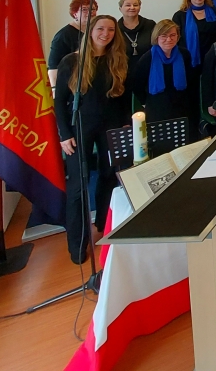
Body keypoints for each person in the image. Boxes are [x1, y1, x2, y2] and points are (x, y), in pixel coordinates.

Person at [54, 15, 130, 264]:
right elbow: (59, 101)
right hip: (79, 128)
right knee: (78, 185)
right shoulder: (71, 61)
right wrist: (64, 134)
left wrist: (126, 123)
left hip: (111, 126)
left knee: (109, 176)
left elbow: (123, 97)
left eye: (111, 30)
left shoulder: (118, 59)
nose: (105, 33)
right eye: (100, 28)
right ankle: (77, 243)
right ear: (90, 31)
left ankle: (104, 225)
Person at [132, 20, 195, 135]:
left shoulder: (185, 54)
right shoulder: (147, 58)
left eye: (172, 35)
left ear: (178, 36)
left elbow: (191, 81)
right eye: (164, 36)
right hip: (157, 108)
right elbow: (137, 85)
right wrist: (146, 103)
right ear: (156, 37)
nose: (169, 39)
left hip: (182, 106)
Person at [173, 0, 216, 70]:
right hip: (188, 61)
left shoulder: (215, 13)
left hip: (212, 59)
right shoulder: (179, 16)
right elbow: (175, 40)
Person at [48, 0, 98, 86]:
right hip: (71, 83)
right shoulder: (63, 35)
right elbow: (53, 66)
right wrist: (54, 88)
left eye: (93, 9)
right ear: (75, 14)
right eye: (84, 9)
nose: (90, 12)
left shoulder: (96, 32)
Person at [117, 0, 156, 78]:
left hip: (148, 70)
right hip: (123, 72)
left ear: (139, 8)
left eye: (135, 5)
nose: (132, 7)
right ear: (120, 9)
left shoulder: (150, 25)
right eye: (128, 5)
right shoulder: (115, 28)